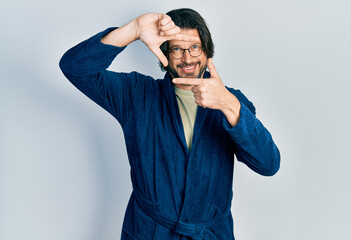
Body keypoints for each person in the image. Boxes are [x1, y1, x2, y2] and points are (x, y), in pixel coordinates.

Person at [59, 8, 280, 240]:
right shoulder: (137, 95)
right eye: (177, 49)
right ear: (164, 53)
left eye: (194, 47)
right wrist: (133, 30)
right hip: (149, 233)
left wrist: (229, 106)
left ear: (207, 51)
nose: (187, 58)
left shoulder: (232, 101)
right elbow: (74, 68)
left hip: (211, 234)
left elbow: (269, 164)